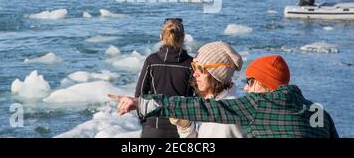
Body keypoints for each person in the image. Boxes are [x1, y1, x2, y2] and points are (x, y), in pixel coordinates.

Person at [109, 55, 339, 138]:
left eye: (250, 82)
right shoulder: (318, 112)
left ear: (263, 83)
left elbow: (203, 109)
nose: (246, 88)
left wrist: (141, 102)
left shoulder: (257, 104)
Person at [169, 41, 245, 138]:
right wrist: (185, 126)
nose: (194, 74)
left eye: (200, 68)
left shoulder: (225, 116)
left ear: (218, 74)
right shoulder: (214, 103)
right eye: (194, 67)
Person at [134, 18, 194, 138]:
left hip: (153, 127)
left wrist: (144, 121)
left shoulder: (152, 60)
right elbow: (197, 98)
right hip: (181, 128)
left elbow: (139, 95)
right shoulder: (191, 64)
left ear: (161, 36)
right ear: (183, 38)